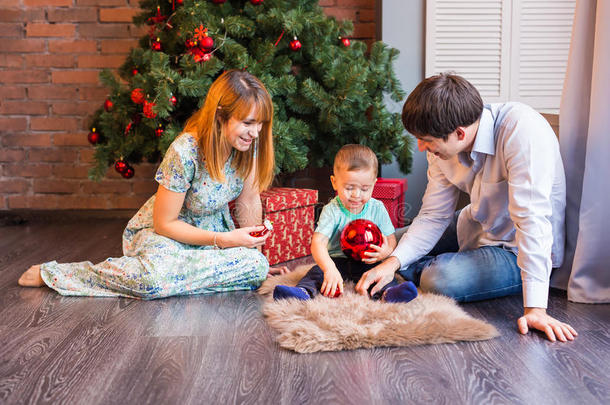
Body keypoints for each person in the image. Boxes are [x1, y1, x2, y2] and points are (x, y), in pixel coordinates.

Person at [18, 69, 289, 298]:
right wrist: (224, 241)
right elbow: (164, 223)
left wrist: (257, 256)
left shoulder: (248, 147)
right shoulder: (186, 151)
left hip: (212, 242)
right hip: (166, 236)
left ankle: (180, 280)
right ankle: (59, 274)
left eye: (261, 124)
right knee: (152, 280)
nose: (256, 133)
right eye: (248, 123)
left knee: (254, 267)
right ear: (220, 116)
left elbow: (249, 201)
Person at [355, 73, 578, 342]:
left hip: (516, 248)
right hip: (474, 222)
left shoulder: (521, 131)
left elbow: (532, 223)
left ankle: (422, 272)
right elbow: (433, 216)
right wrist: (392, 261)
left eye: (426, 139)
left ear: (459, 133)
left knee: (439, 280)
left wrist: (536, 310)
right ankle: (409, 270)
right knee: (384, 244)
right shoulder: (442, 146)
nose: (421, 146)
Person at [273, 144, 418, 303]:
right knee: (316, 273)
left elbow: (391, 240)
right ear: (335, 182)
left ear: (374, 184)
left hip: (368, 261)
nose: (356, 195)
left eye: (364, 189)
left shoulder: (378, 208)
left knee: (381, 275)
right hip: (337, 261)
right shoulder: (331, 210)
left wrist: (384, 253)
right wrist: (329, 268)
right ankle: (302, 291)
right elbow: (318, 242)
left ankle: (390, 293)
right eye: (349, 188)